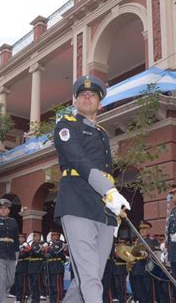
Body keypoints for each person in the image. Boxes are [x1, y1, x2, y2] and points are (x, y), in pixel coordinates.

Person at [53, 75, 131, 303]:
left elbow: (105, 170)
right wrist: (110, 190)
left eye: (93, 95)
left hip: (103, 208)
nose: (87, 97)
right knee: (89, 275)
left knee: (91, 275)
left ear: (100, 103)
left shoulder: (101, 133)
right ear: (75, 101)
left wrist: (113, 203)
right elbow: (78, 160)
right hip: (76, 202)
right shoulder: (66, 125)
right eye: (83, 94)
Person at [130, 220, 159, 303]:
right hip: (138, 270)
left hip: (148, 270)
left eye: (144, 228)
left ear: (149, 229)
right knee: (140, 293)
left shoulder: (153, 241)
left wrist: (147, 255)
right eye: (140, 229)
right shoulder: (137, 241)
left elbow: (156, 255)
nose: (142, 230)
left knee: (149, 292)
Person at [45, 229, 66, 303]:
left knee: (57, 287)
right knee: (51, 286)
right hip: (51, 267)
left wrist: (48, 250)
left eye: (53, 235)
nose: (51, 237)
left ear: (57, 236)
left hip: (57, 267)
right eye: (51, 235)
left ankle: (58, 300)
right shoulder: (51, 244)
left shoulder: (60, 243)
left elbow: (54, 252)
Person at [27, 230, 44, 303]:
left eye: (35, 235)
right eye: (33, 235)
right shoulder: (32, 243)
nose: (33, 237)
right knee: (32, 284)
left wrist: (30, 250)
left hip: (37, 266)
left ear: (39, 237)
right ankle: (33, 299)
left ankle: (37, 300)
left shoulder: (41, 244)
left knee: (37, 284)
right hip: (31, 266)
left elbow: (37, 252)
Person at [15, 233, 30, 303]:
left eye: (22, 238)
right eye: (19, 237)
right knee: (17, 284)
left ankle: (22, 299)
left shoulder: (26, 246)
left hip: (23, 267)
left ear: (24, 238)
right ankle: (18, 299)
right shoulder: (16, 245)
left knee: (22, 285)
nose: (20, 239)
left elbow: (23, 254)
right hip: (16, 267)